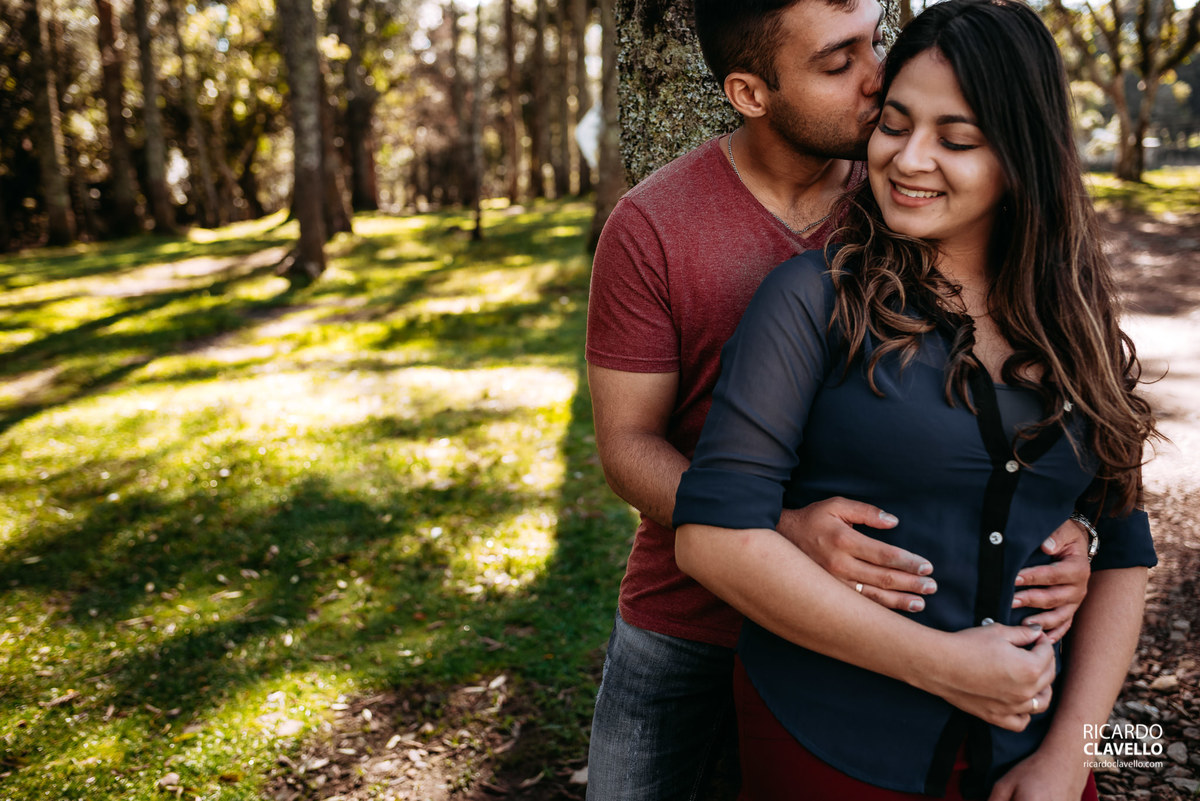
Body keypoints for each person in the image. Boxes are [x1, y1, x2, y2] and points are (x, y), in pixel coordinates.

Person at [584, 0, 1094, 798]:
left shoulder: (910, 193)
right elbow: (626, 448)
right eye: (836, 63)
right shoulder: (653, 227)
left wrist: (1064, 516)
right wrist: (779, 531)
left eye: (875, 40)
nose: (876, 76)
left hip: (882, 637)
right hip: (687, 618)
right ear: (752, 93)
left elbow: (1013, 402)